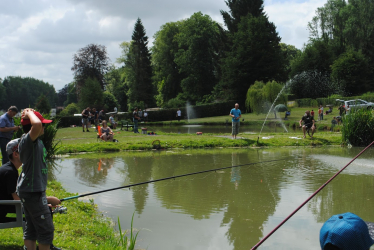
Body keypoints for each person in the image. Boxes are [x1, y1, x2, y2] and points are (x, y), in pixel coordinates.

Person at [0, 138, 61, 250]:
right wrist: (46, 201)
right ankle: (48, 246)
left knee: (42, 208)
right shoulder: (9, 172)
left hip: (6, 207)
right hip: (3, 210)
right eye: (25, 150)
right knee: (45, 210)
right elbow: (17, 199)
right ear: (16, 154)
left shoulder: (9, 168)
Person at [17, 109, 61, 250]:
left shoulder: (35, 142)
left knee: (32, 228)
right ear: (33, 126)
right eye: (43, 124)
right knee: (46, 230)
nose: (44, 127)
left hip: (33, 191)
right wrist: (30, 113)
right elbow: (35, 125)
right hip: (32, 191)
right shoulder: (27, 141)